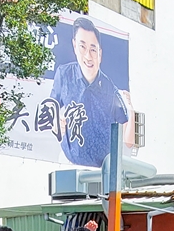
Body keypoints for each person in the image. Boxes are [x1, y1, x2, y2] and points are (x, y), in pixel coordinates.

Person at [50, 16, 129, 168]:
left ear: (100, 53)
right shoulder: (63, 74)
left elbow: (124, 126)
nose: (88, 56)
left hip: (102, 170)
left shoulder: (111, 90)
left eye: (93, 49)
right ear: (74, 46)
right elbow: (52, 107)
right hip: (68, 163)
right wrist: (56, 121)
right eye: (82, 47)